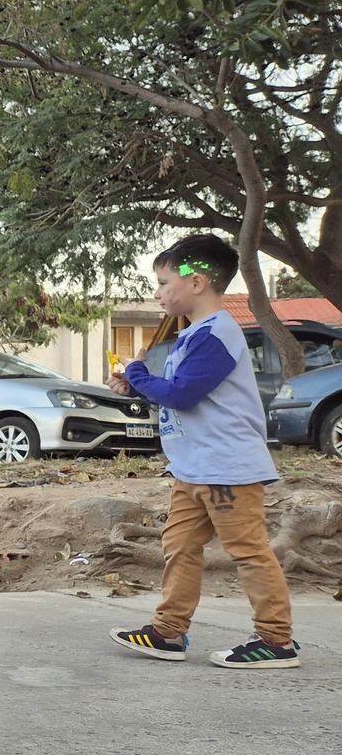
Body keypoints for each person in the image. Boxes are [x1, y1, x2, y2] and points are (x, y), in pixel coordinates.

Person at [108, 234, 298, 668]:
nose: (157, 292)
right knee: (179, 545)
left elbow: (184, 394)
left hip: (226, 467)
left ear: (196, 281)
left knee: (248, 551)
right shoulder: (194, 335)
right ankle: (167, 633)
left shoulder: (218, 332)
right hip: (193, 467)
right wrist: (136, 383)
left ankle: (277, 641)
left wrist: (137, 371)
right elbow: (175, 392)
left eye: (163, 281)